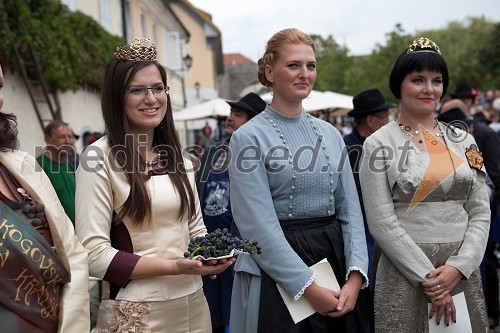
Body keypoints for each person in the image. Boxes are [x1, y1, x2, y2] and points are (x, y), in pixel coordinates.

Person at [74, 38, 234, 333]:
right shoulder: (97, 158)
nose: (151, 98)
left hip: (194, 306)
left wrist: (213, 255)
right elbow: (93, 255)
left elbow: (196, 230)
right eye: (137, 90)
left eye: (158, 88)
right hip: (137, 313)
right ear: (116, 97)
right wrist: (175, 266)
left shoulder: (180, 158)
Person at [228, 28, 369, 333]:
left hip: (338, 265)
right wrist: (307, 287)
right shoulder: (247, 138)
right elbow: (257, 227)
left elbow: (352, 212)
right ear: (269, 71)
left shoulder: (332, 134)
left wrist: (356, 277)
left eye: (311, 65)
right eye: (293, 65)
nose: (304, 73)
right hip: (279, 273)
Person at [359, 37, 490, 331]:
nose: (429, 89)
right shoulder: (377, 145)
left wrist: (460, 265)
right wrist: (430, 280)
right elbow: (381, 222)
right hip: (405, 272)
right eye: (418, 79)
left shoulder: (465, 140)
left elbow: (481, 210)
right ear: (399, 85)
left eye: (437, 80)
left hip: (461, 270)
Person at [0, 60, 90, 331]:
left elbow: (72, 254)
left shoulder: (24, 167)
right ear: (48, 138)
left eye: (0, 85)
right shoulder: (44, 163)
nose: (67, 141)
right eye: (60, 136)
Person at [196, 92, 266, 333]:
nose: (230, 118)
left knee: (237, 316)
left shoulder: (258, 156)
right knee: (210, 313)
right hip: (209, 250)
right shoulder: (213, 152)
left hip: (240, 251)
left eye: (238, 115)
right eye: (231, 113)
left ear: (254, 122)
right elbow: (198, 192)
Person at [438, 98, 500, 329]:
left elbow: (486, 181)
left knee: (483, 267)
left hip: (478, 219)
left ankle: (486, 313)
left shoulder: (472, 144)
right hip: (453, 228)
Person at [343, 88, 394, 280]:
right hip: (363, 234)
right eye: (384, 118)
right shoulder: (349, 149)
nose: (389, 123)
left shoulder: (383, 145)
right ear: (371, 121)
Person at [36, 120, 76, 224]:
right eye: (62, 137)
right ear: (47, 140)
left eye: (70, 137)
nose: (68, 141)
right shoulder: (39, 167)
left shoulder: (69, 165)